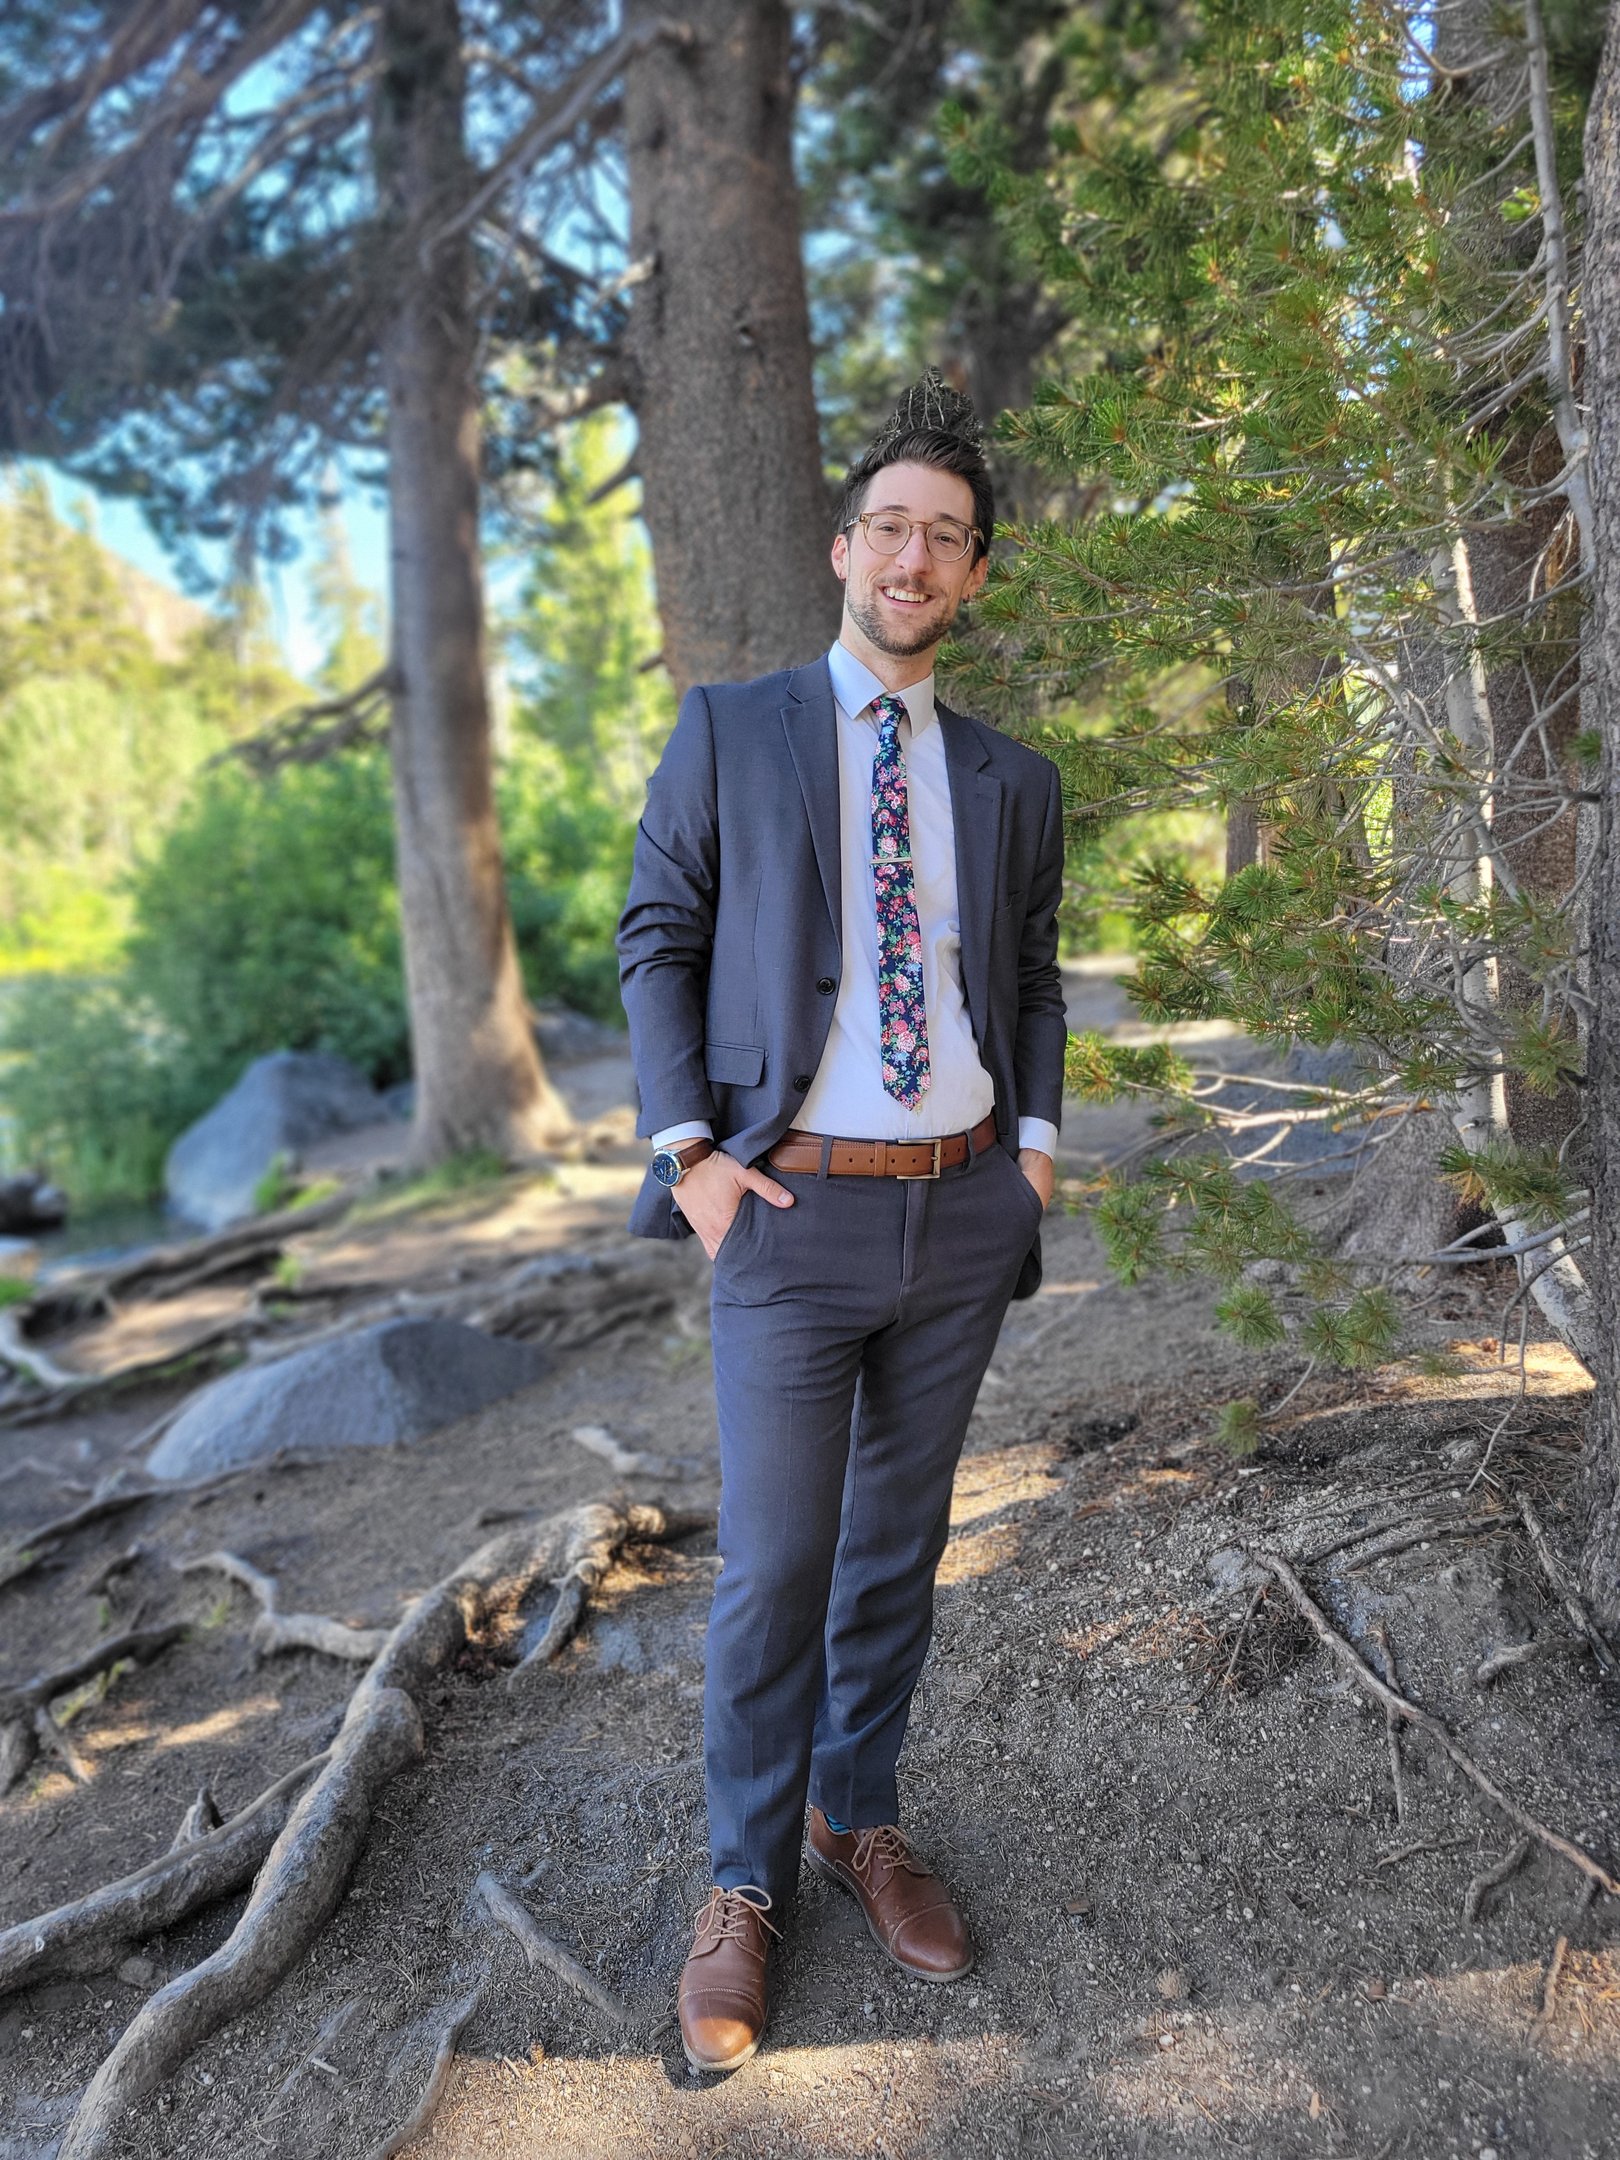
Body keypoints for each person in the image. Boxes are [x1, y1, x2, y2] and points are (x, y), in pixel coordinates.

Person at [616, 368, 1066, 2073]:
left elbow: (1023, 977)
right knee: (779, 1566)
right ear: (842, 548)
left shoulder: (1014, 779)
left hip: (959, 1216)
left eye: (948, 538)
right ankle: (741, 1883)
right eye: (892, 525)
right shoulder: (732, 729)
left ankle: (853, 1820)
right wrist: (692, 1161)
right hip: (784, 1224)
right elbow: (657, 931)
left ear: (972, 577)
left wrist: (1030, 1155)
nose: (916, 556)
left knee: (896, 1553)